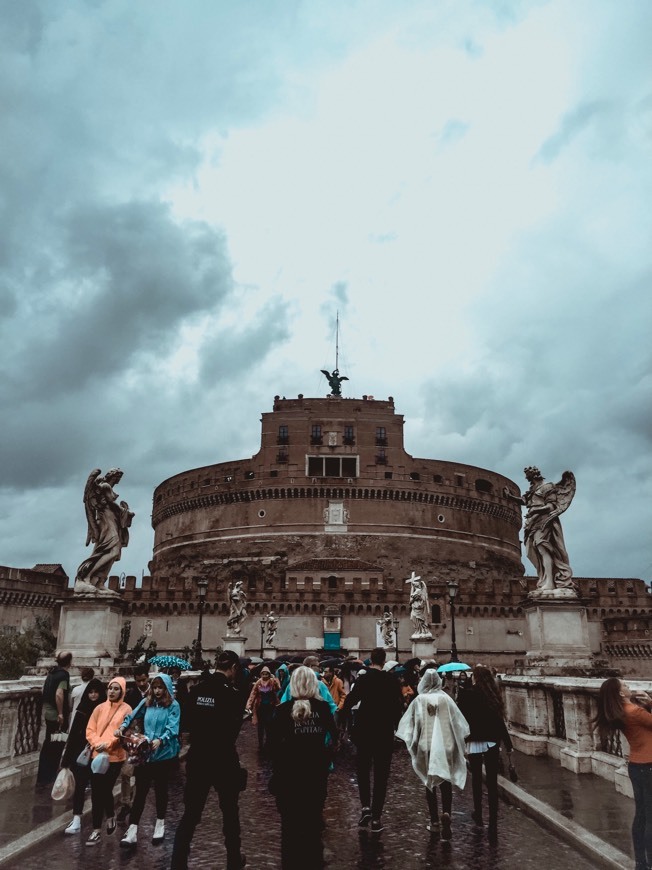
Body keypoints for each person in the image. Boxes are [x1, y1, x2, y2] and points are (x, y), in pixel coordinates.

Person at [170, 650, 247, 870]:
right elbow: (232, 731)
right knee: (230, 814)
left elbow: (186, 723)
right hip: (223, 759)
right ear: (232, 668)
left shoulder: (197, 690)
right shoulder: (233, 694)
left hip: (199, 759)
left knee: (191, 815)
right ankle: (233, 860)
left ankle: (178, 863)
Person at [270, 666, 338, 869]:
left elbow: (272, 745)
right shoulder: (323, 708)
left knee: (290, 827)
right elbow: (334, 738)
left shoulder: (282, 711)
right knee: (312, 823)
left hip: (289, 776)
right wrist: (325, 756)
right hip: (316, 774)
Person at [396, 667, 469, 842]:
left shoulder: (419, 700)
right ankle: (447, 812)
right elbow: (458, 723)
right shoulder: (446, 699)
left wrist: (413, 744)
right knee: (445, 781)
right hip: (446, 745)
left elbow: (412, 725)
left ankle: (434, 821)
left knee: (429, 783)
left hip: (426, 745)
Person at [340, 647, 404, 833]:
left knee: (362, 769)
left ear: (371, 660)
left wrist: (343, 718)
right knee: (381, 775)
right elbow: (398, 705)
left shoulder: (364, 679)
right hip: (383, 733)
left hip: (365, 731)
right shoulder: (391, 680)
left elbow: (351, 700)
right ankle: (376, 817)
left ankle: (365, 806)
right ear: (384, 661)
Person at [594, 678, 652, 870]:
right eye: (625, 685)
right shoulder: (635, 712)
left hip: (636, 765)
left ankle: (641, 864)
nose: (628, 687)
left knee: (641, 815)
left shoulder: (622, 712)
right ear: (620, 693)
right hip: (649, 765)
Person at [118, 673, 181, 847]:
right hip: (145, 754)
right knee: (141, 792)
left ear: (166, 689)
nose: (158, 691)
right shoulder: (148, 702)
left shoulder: (173, 705)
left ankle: (160, 823)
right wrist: (123, 727)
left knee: (161, 790)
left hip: (163, 755)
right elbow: (132, 714)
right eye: (155, 687)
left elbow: (173, 727)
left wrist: (161, 739)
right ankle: (132, 830)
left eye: (161, 688)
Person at [457, 665, 514, 842]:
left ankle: (479, 813)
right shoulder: (492, 695)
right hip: (491, 740)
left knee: (475, 779)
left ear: (475, 678)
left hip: (474, 740)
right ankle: (494, 817)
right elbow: (499, 722)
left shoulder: (467, 694)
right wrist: (508, 744)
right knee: (491, 780)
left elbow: (462, 719)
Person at [504, 466, 576, 593]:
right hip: (532, 522)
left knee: (543, 548)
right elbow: (525, 501)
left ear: (534, 474)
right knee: (533, 551)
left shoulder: (547, 487)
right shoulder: (533, 489)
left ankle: (549, 581)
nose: (526, 478)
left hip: (544, 521)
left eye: (528, 475)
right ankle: (544, 579)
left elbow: (551, 506)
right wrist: (510, 497)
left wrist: (536, 510)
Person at [85, 676, 132, 846]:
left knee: (104, 788)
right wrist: (97, 744)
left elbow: (124, 732)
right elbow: (90, 729)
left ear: (122, 691)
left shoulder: (127, 710)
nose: (112, 691)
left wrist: (109, 744)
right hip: (97, 755)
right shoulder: (99, 708)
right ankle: (97, 828)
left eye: (116, 689)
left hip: (115, 756)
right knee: (97, 792)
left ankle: (106, 819)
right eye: (110, 688)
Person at [75, 468, 135, 594]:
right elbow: (111, 504)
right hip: (105, 520)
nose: (119, 479)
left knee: (113, 552)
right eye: (118, 476)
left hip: (112, 519)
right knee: (111, 550)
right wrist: (126, 512)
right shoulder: (105, 486)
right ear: (113, 476)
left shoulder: (107, 487)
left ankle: (100, 582)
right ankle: (86, 577)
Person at [61, 678, 107, 835]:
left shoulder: (105, 709)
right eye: (91, 692)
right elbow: (73, 733)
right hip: (82, 754)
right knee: (80, 787)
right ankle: (76, 819)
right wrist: (67, 759)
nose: (93, 695)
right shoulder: (82, 708)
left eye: (96, 692)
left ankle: (96, 823)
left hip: (100, 754)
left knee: (98, 789)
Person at [118, 663, 151, 821]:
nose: (142, 684)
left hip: (149, 740)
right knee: (126, 772)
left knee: (142, 775)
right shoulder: (131, 695)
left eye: (144, 680)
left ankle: (137, 802)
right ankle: (126, 803)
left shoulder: (156, 692)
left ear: (148, 677)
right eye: (139, 681)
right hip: (132, 739)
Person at [37, 650, 73, 785]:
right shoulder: (64, 675)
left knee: (48, 743)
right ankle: (50, 775)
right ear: (69, 662)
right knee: (57, 744)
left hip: (48, 714)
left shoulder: (52, 673)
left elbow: (43, 690)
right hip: (58, 718)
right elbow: (59, 694)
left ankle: (43, 776)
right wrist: (61, 713)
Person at [245, 666, 281, 750]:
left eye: (266, 674)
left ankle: (268, 742)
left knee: (269, 725)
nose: (264, 676)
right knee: (260, 726)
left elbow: (278, 688)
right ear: (261, 674)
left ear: (269, 674)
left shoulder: (272, 681)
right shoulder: (258, 682)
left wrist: (275, 680)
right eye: (263, 674)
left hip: (270, 706)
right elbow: (253, 694)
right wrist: (249, 705)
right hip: (260, 707)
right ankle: (260, 743)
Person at [406, 572, 431, 637]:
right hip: (415, 608)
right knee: (412, 618)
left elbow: (413, 597)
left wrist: (411, 601)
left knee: (418, 619)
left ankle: (422, 630)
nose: (414, 586)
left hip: (418, 608)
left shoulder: (419, 591)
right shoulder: (416, 591)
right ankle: (418, 630)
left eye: (414, 585)